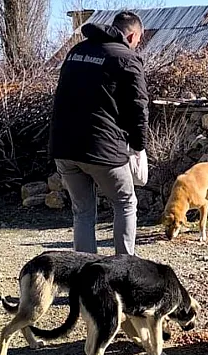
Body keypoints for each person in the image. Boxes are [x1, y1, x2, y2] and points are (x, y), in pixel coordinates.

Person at [49, 11, 148, 255]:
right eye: (139, 40)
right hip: (102, 150)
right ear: (133, 34)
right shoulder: (126, 58)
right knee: (125, 203)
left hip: (64, 147)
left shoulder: (76, 52)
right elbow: (138, 108)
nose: (137, 45)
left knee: (82, 211)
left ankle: (85, 277)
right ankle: (124, 271)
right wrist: (138, 146)